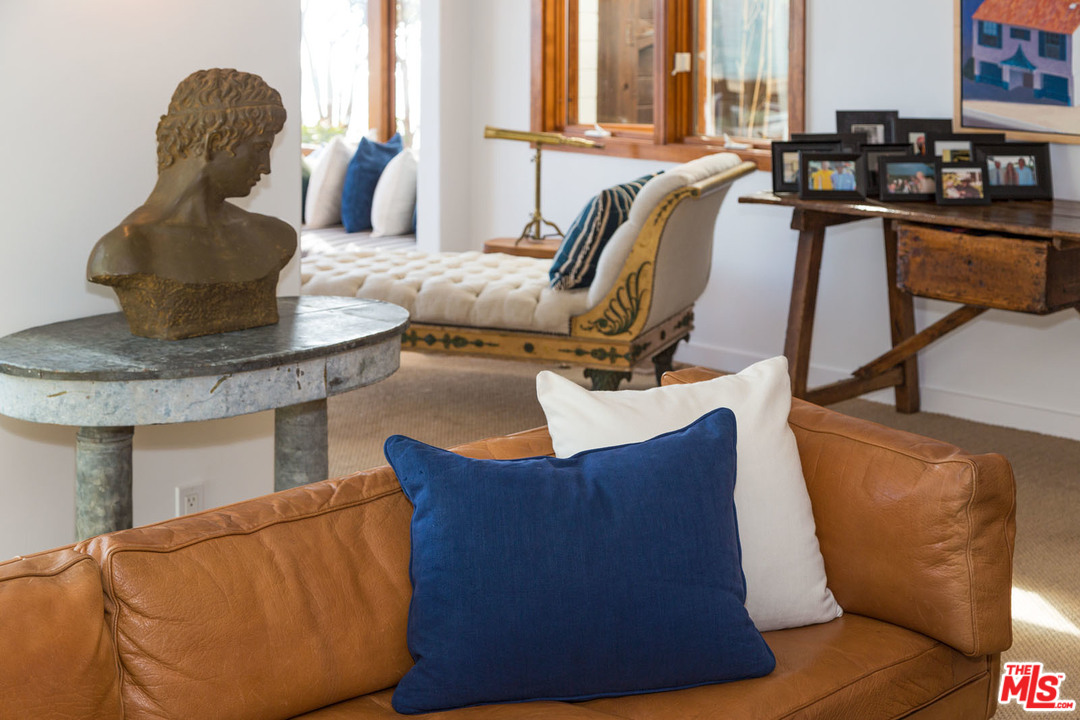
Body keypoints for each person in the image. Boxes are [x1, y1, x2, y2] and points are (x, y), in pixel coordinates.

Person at [88, 68, 296, 339]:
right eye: (259, 149)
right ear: (214, 143)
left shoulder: (273, 237)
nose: (266, 167)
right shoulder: (125, 250)